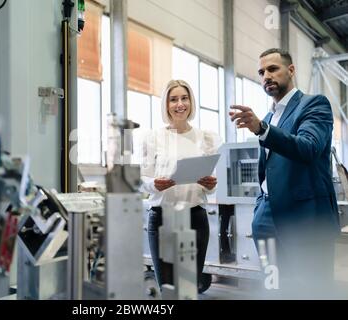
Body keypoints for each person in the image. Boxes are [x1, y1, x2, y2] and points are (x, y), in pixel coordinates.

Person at [229, 48, 340, 297]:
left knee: (313, 290)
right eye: (261, 72)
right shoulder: (269, 116)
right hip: (266, 219)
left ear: (291, 70)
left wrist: (262, 129)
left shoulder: (314, 105)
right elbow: (267, 171)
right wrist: (261, 206)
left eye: (272, 69)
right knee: (275, 287)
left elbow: (308, 148)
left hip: (305, 220)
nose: (266, 76)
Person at [140, 79, 222, 293]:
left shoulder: (206, 137)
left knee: (188, 289)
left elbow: (211, 184)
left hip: (195, 217)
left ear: (191, 101)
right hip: (162, 218)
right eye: (173, 99)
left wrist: (210, 184)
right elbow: (142, 180)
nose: (180, 104)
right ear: (166, 105)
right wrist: (154, 184)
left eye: (184, 98)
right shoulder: (153, 137)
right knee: (169, 290)